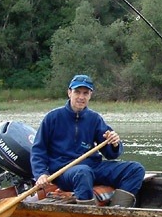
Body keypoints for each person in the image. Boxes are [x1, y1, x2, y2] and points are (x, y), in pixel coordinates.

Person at [30, 74, 145, 206]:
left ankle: (117, 210)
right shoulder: (52, 118)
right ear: (69, 93)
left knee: (136, 169)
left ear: (90, 95)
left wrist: (114, 144)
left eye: (85, 93)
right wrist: (41, 174)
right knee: (82, 172)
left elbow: (111, 154)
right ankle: (87, 215)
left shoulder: (94, 119)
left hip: (93, 167)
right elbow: (38, 150)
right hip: (65, 172)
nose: (81, 97)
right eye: (77, 92)